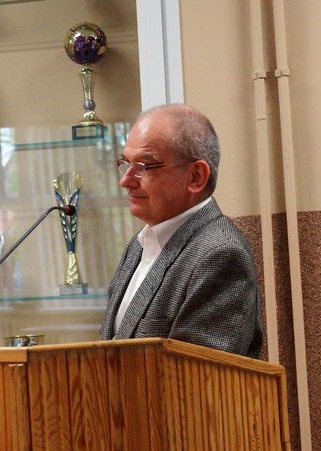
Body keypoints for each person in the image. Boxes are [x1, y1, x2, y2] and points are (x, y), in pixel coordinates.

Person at [99, 104, 263, 359]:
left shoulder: (220, 254)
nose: (125, 180)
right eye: (126, 163)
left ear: (195, 176)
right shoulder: (139, 244)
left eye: (144, 166)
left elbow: (202, 377)